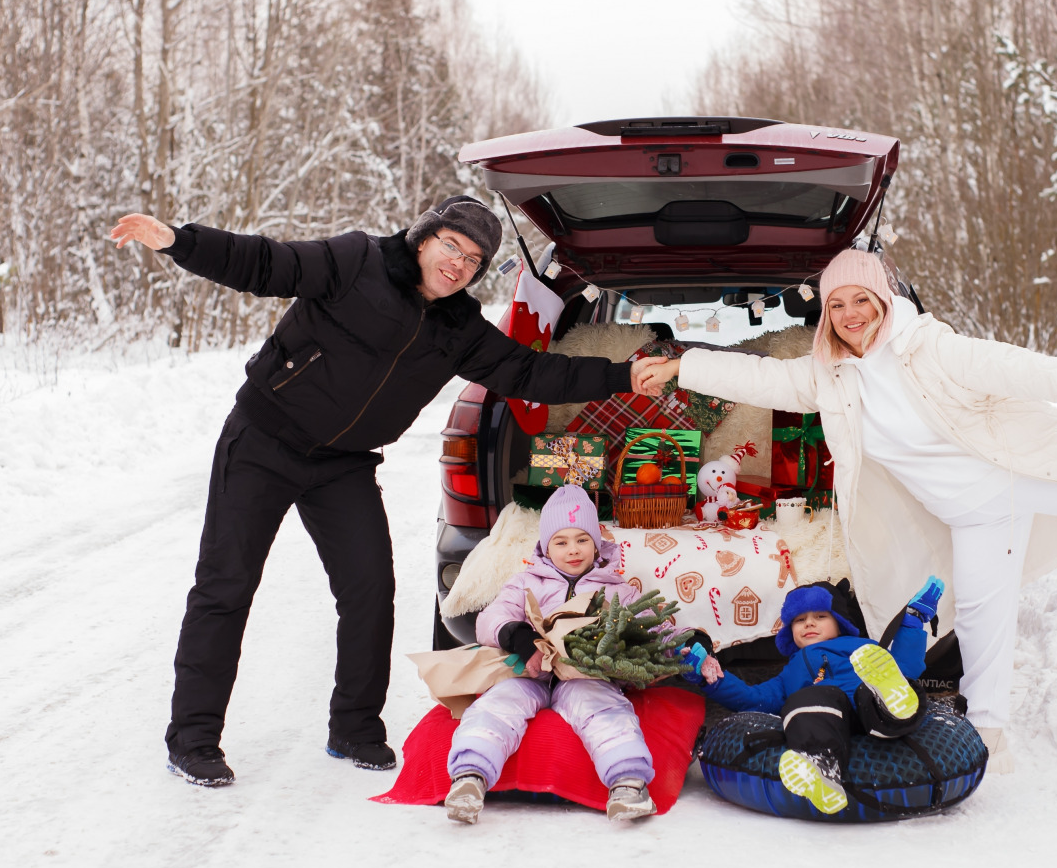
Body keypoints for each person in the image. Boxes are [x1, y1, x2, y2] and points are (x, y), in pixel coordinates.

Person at [634, 248, 1057, 774]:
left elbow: (1007, 364)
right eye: (837, 305)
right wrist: (682, 364)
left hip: (1020, 473)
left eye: (861, 302)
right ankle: (988, 733)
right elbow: (762, 376)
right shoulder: (831, 373)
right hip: (973, 516)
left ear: (882, 302)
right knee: (980, 616)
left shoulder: (926, 346)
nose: (850, 316)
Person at [108, 198, 668, 787]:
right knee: (226, 585)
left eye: (474, 260)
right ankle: (193, 740)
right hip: (263, 440)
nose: (458, 264)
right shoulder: (356, 260)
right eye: (451, 245)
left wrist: (621, 375)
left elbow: (531, 372)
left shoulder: (459, 329)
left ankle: (354, 728)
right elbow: (267, 263)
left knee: (370, 589)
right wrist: (178, 240)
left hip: (342, 465)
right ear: (424, 238)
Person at [444, 485, 658, 823]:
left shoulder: (617, 589)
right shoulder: (527, 581)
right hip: (529, 670)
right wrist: (517, 635)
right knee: (499, 703)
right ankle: (470, 778)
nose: (572, 550)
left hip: (585, 675)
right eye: (561, 542)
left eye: (582, 540)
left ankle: (627, 782)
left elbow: (653, 625)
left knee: (600, 707)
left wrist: (689, 643)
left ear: (596, 542)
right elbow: (490, 619)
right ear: (546, 546)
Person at [689, 583, 940, 815]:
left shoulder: (864, 647)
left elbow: (906, 665)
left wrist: (912, 622)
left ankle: (893, 704)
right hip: (831, 714)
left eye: (820, 616)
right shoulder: (790, 673)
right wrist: (711, 677)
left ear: (839, 623)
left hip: (870, 705)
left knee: (882, 682)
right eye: (800, 620)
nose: (809, 623)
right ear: (790, 631)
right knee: (805, 701)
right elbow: (755, 699)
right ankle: (821, 768)